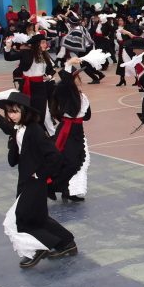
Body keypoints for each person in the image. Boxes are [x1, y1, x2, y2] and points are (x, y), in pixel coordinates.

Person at [0, 91, 76, 268]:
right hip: (25, 179)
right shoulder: (18, 126)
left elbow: (55, 157)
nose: (11, 116)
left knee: (21, 218)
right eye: (9, 112)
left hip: (35, 181)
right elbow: (7, 126)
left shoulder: (35, 130)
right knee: (39, 218)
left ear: (24, 112)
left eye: (14, 111)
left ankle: (39, 248)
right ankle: (67, 243)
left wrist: (40, 174)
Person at [48, 62, 91, 202]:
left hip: (78, 131)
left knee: (78, 162)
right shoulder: (64, 92)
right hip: (67, 131)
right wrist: (67, 67)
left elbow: (87, 116)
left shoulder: (82, 96)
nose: (80, 78)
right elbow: (65, 84)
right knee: (68, 162)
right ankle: (51, 187)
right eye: (77, 75)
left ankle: (68, 190)